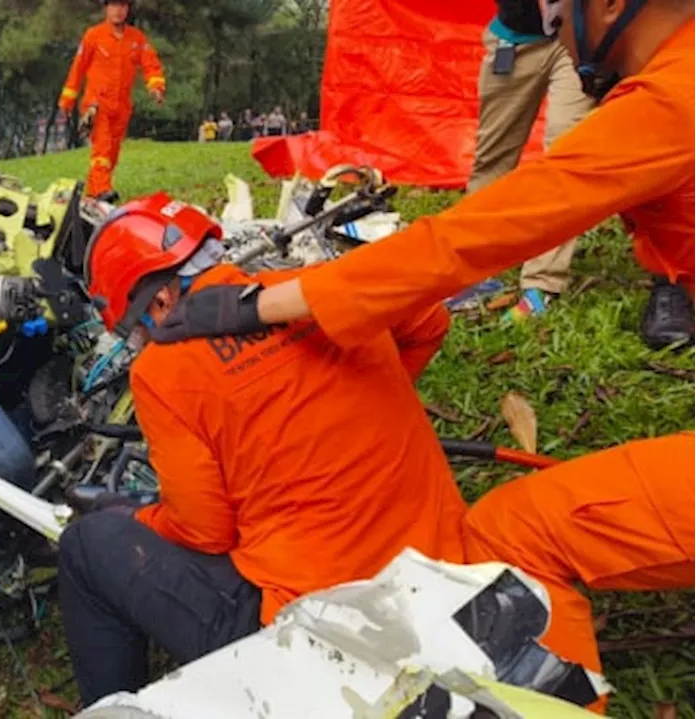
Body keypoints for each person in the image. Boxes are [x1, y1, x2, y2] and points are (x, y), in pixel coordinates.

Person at [150, 0, 696, 709]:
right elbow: (430, 320)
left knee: (514, 535)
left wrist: (261, 303)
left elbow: (476, 234)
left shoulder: (673, 99)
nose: (548, 23)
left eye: (558, 5)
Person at [58, 194, 468, 706]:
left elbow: (205, 532)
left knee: (86, 547)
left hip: (322, 637)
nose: (139, 341)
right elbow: (430, 321)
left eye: (134, 328)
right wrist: (353, 405)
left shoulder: (164, 372)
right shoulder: (308, 292)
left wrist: (139, 517)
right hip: (447, 575)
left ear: (160, 303)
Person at [468, 0, 595, 322]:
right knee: (493, 158)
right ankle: (468, 264)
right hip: (515, 39)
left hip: (583, 44)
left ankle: (542, 283)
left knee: (566, 158)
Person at [59, 0, 166, 204]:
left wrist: (156, 87)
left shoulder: (136, 38)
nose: (118, 11)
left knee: (113, 152)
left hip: (122, 106)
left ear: (127, 9)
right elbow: (78, 68)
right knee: (103, 147)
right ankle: (102, 189)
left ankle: (93, 194)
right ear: (106, 8)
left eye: (122, 6)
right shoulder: (93, 35)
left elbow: (150, 63)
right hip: (96, 103)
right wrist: (67, 100)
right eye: (114, 5)